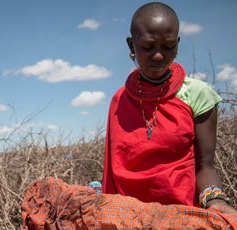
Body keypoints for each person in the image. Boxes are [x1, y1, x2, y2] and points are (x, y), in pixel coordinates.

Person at [101, 2, 237, 215]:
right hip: (127, 217)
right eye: (147, 47)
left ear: (177, 44)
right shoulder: (120, 99)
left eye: (168, 46)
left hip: (180, 216)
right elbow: (113, 170)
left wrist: (216, 200)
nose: (158, 56)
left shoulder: (197, 94)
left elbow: (206, 166)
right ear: (131, 46)